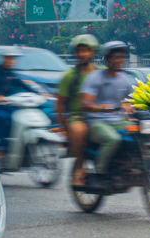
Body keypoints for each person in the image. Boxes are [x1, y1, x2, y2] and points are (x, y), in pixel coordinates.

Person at [80, 41, 135, 177]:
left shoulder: (126, 79)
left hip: (117, 121)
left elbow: (132, 100)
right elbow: (85, 105)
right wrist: (101, 108)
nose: (119, 61)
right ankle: (100, 172)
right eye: (115, 57)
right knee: (113, 139)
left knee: (141, 134)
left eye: (122, 57)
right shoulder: (94, 78)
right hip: (96, 123)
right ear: (107, 59)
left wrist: (130, 106)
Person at [56, 34, 100, 186]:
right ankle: (80, 167)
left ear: (93, 52)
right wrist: (65, 129)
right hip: (78, 117)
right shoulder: (70, 76)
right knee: (79, 130)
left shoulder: (102, 72)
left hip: (102, 114)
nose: (83, 54)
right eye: (79, 51)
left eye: (86, 50)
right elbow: (60, 104)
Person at [0, 48, 34, 159]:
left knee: (21, 117)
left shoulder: (11, 73)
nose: (11, 61)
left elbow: (23, 85)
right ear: (4, 58)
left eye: (13, 59)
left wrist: (38, 94)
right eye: (9, 58)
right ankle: (0, 147)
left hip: (10, 104)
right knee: (4, 118)